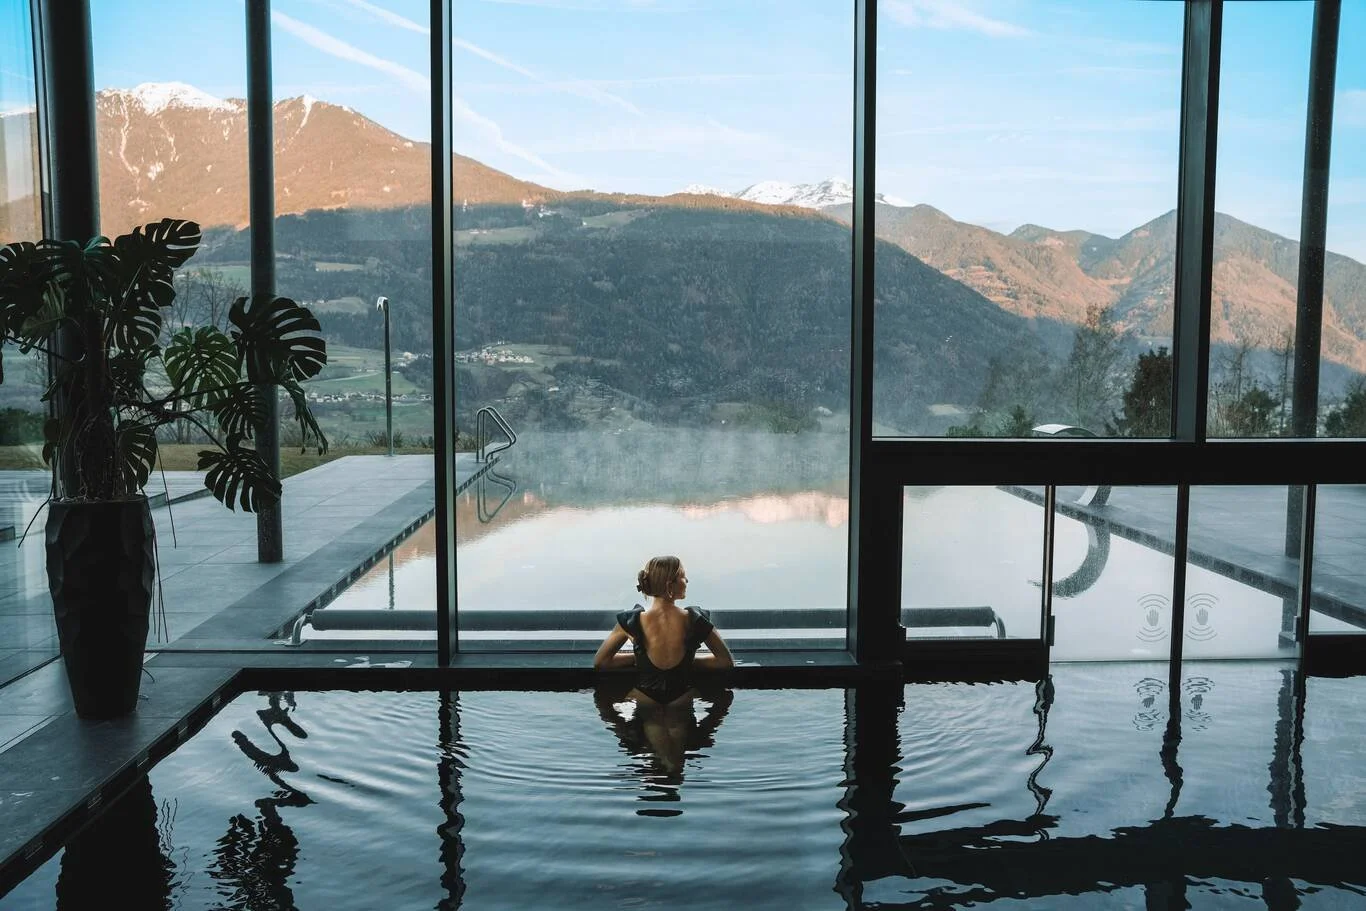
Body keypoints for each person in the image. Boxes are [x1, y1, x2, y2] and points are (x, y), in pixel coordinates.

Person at [592, 555, 734, 706]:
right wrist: (688, 661)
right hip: (682, 702)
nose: (687, 581)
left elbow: (601, 662)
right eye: (683, 577)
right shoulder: (694, 620)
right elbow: (725, 662)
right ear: (669, 585)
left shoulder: (632, 621)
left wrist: (640, 659)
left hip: (645, 701)